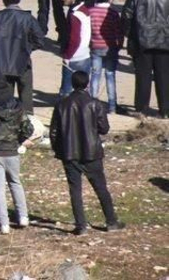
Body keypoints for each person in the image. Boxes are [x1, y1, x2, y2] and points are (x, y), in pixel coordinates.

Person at [51, 70, 121, 234]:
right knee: (101, 188)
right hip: (92, 153)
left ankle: (81, 225)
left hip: (70, 154)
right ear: (88, 84)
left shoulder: (62, 104)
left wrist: (59, 150)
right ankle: (111, 221)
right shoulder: (95, 104)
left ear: (72, 84)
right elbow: (104, 129)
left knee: (75, 190)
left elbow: (54, 132)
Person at [121, 0, 169, 117]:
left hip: (142, 42)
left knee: (143, 77)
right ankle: (165, 110)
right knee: (164, 77)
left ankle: (142, 109)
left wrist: (130, 35)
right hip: (164, 42)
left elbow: (126, 17)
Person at [0, 0, 42, 114]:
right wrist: (27, 48)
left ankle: (7, 123)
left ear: (4, 0)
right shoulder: (28, 18)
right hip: (23, 62)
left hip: (3, 62)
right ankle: (27, 124)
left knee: (5, 98)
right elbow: (39, 40)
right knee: (26, 97)